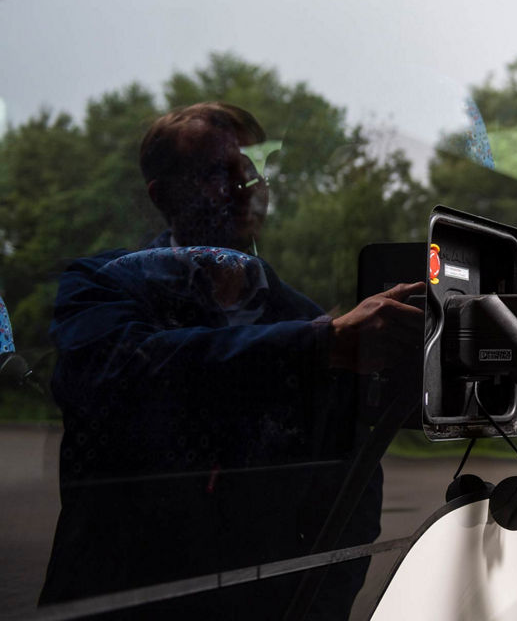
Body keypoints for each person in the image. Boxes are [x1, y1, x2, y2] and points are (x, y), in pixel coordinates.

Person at [40, 102, 425, 618]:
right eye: (218, 172)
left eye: (254, 169)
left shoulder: (305, 318)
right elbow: (121, 373)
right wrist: (317, 347)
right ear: (163, 195)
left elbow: (350, 499)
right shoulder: (105, 285)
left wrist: (315, 610)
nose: (246, 186)